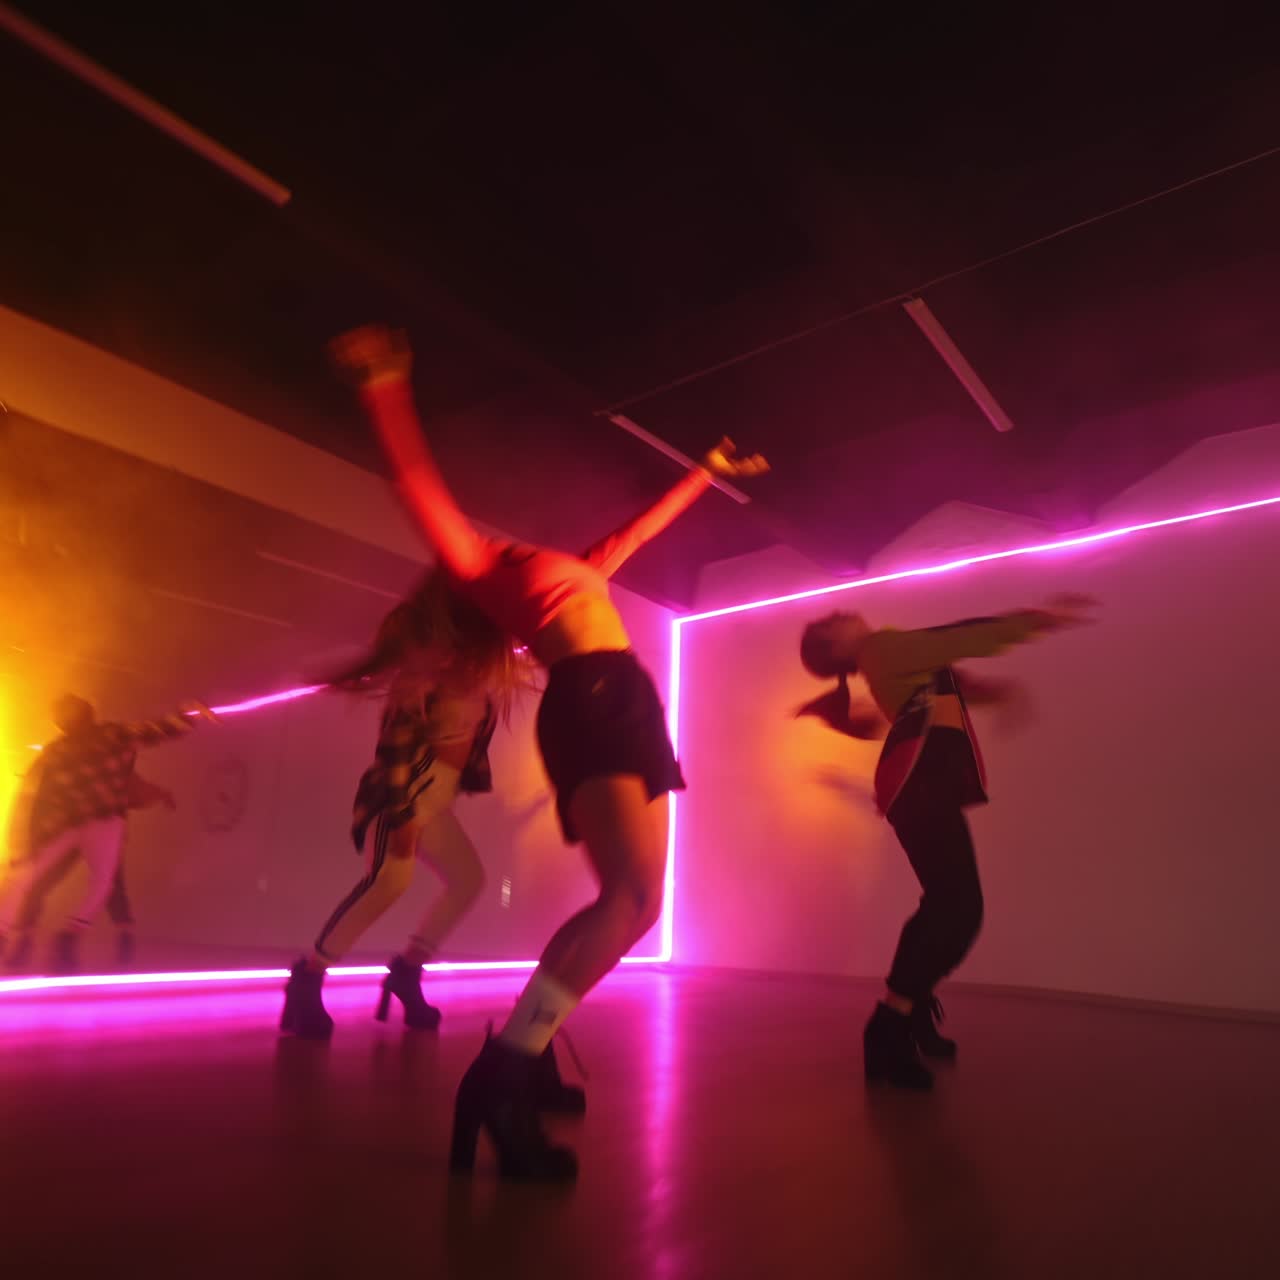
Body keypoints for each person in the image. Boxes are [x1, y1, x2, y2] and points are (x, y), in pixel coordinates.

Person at [331, 324, 768, 1180]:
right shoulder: (481, 567)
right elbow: (417, 486)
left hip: (624, 698)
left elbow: (635, 535)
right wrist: (384, 384)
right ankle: (504, 1075)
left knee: (635, 904)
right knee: (631, 901)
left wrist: (706, 472)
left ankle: (523, 1056)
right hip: (597, 696)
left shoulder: (563, 568)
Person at [798, 594, 1096, 1090]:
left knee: (944, 906)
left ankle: (909, 1011)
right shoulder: (882, 648)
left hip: (919, 790)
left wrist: (995, 692)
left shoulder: (887, 657)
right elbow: (957, 638)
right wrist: (1036, 619)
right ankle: (888, 1026)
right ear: (836, 646)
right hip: (920, 789)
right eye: (832, 621)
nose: (842, 612)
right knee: (959, 909)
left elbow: (949, 678)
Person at [281, 574, 555, 1065]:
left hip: (435, 801)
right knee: (389, 882)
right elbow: (394, 751)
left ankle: (406, 974)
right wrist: (403, 813)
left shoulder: (478, 676)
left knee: (468, 879)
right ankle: (308, 978)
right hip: (401, 795)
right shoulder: (422, 679)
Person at [0, 693, 217, 974]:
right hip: (76, 822)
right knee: (38, 877)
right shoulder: (63, 750)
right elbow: (31, 796)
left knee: (99, 881)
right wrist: (22, 840)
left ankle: (63, 936)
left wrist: (187, 715)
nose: (64, 722)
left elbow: (154, 731)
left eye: (66, 715)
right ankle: (42, 935)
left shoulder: (100, 739)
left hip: (96, 822)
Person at [3, 770, 175, 972]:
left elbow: (133, 789)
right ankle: (43, 940)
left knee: (104, 884)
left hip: (85, 820)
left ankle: (48, 940)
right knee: (98, 883)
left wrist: (159, 793)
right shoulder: (106, 765)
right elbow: (132, 789)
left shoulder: (112, 766)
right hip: (80, 820)